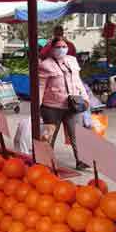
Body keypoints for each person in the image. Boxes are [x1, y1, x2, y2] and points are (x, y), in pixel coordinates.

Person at [38, 37, 91, 170]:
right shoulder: (45, 65)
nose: (62, 49)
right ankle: (45, 162)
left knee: (77, 134)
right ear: (52, 49)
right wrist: (36, 108)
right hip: (51, 107)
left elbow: (78, 81)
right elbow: (40, 87)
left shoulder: (72, 61)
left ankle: (81, 161)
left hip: (73, 105)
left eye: (64, 47)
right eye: (58, 47)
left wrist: (85, 98)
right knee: (49, 136)